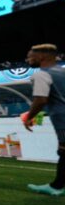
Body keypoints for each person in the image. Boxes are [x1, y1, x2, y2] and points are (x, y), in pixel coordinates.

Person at [24, 43, 65, 196]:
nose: (28, 59)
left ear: (41, 56)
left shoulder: (41, 74)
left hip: (62, 118)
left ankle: (56, 186)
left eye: (30, 56)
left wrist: (29, 117)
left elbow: (41, 99)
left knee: (64, 151)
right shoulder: (62, 72)